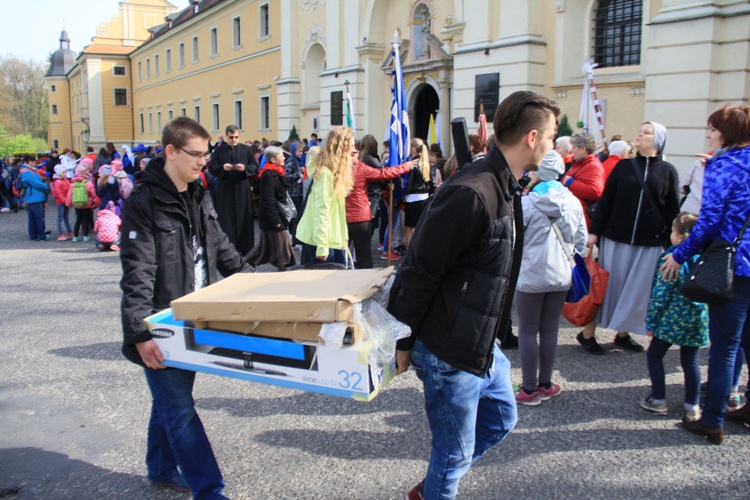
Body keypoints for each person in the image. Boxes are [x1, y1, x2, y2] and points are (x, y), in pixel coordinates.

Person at [388, 91, 560, 499]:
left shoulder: (504, 183)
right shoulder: (474, 191)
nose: (554, 145)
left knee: (501, 419)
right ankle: (436, 489)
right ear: (532, 138)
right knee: (453, 452)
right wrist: (403, 339)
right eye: (552, 136)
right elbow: (419, 269)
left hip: (480, 343)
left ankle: (431, 488)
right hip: (450, 349)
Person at [120, 117, 251, 497]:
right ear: (171, 152)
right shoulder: (143, 203)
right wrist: (140, 333)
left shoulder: (198, 191)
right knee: (177, 407)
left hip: (196, 314)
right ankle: (209, 490)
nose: (203, 161)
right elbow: (138, 272)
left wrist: (258, 282)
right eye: (195, 154)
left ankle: (160, 467)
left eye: (206, 154)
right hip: (162, 321)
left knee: (170, 399)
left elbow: (221, 247)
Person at [660, 105, 750, 445]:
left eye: (712, 129)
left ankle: (712, 421)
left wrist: (679, 255)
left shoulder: (723, 166)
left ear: (726, 132)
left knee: (724, 348)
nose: (708, 135)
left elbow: (708, 221)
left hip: (733, 266)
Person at [580, 122, 680, 355]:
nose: (639, 134)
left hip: (649, 243)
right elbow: (606, 201)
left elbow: (672, 208)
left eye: (646, 132)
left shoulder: (667, 171)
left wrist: (671, 241)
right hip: (616, 238)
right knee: (606, 288)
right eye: (640, 130)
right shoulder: (624, 167)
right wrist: (595, 231)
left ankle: (622, 335)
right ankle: (587, 335)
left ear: (658, 140)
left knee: (636, 292)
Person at [514, 150, 587, 406]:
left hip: (531, 273)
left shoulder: (526, 203)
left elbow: (514, 239)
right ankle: (545, 383)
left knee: (526, 331)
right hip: (562, 273)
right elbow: (582, 241)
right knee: (550, 330)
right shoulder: (573, 201)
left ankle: (529, 388)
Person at [640, 212, 708, 420]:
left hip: (671, 320)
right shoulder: (704, 259)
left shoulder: (672, 260)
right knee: (691, 361)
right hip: (696, 319)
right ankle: (692, 405)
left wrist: (651, 322)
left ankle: (659, 399)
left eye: (672, 230)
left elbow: (661, 295)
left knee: (654, 356)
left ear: (679, 238)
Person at [346, 136, 416, 269]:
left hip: (344, 217)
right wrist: (405, 167)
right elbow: (383, 173)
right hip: (360, 216)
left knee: (344, 254)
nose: (357, 154)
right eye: (355, 152)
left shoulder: (337, 168)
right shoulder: (359, 168)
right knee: (364, 255)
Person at [295, 126, 354, 266]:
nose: (353, 149)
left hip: (329, 238)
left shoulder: (333, 172)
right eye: (351, 145)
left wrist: (343, 236)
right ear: (342, 148)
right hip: (321, 240)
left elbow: (338, 212)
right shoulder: (325, 173)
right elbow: (322, 210)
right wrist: (322, 246)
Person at [208, 124, 258, 256]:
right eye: (231, 137)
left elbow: (254, 166)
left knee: (244, 217)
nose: (234, 140)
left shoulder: (245, 150)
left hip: (242, 188)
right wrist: (223, 168)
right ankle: (229, 246)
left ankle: (246, 246)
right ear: (226, 136)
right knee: (227, 218)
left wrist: (245, 169)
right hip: (226, 190)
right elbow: (212, 168)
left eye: (236, 137)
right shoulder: (219, 151)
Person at [245, 146, 297, 271]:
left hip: (276, 214)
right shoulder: (268, 175)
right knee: (280, 242)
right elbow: (268, 199)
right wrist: (275, 220)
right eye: (281, 156)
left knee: (266, 246)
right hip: (272, 216)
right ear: (273, 159)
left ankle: (281, 266)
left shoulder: (278, 172)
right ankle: (282, 265)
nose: (284, 158)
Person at [561, 132, 605, 228]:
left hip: (582, 219)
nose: (571, 151)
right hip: (574, 217)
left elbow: (596, 191)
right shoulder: (579, 163)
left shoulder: (593, 166)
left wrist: (571, 183)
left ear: (583, 149)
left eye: (574, 147)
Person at [404, 138, 433, 248]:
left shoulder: (414, 163)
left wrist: (403, 193)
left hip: (413, 198)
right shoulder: (426, 162)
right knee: (420, 226)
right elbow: (430, 182)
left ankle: (409, 250)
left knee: (409, 227)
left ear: (413, 149)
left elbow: (410, 184)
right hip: (424, 197)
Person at [66, 160, 100, 242]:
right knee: (85, 220)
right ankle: (85, 236)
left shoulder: (73, 183)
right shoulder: (87, 183)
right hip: (87, 204)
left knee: (78, 220)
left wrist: (69, 204)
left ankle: (75, 236)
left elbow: (69, 195)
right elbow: (93, 193)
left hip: (77, 204)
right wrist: (94, 203)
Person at [19, 155, 50, 241]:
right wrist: (46, 186)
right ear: (26, 162)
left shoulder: (28, 171)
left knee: (32, 218)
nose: (34, 163)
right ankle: (41, 235)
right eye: (31, 162)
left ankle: (34, 235)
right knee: (38, 217)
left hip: (31, 197)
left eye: (34, 161)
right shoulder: (28, 172)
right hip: (35, 196)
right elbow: (37, 184)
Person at [51, 165, 72, 240]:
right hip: (61, 202)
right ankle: (60, 234)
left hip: (66, 201)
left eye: (65, 172)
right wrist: (66, 200)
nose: (65, 174)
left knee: (66, 217)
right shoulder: (58, 182)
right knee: (60, 218)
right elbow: (59, 193)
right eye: (63, 172)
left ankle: (69, 231)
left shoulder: (66, 180)